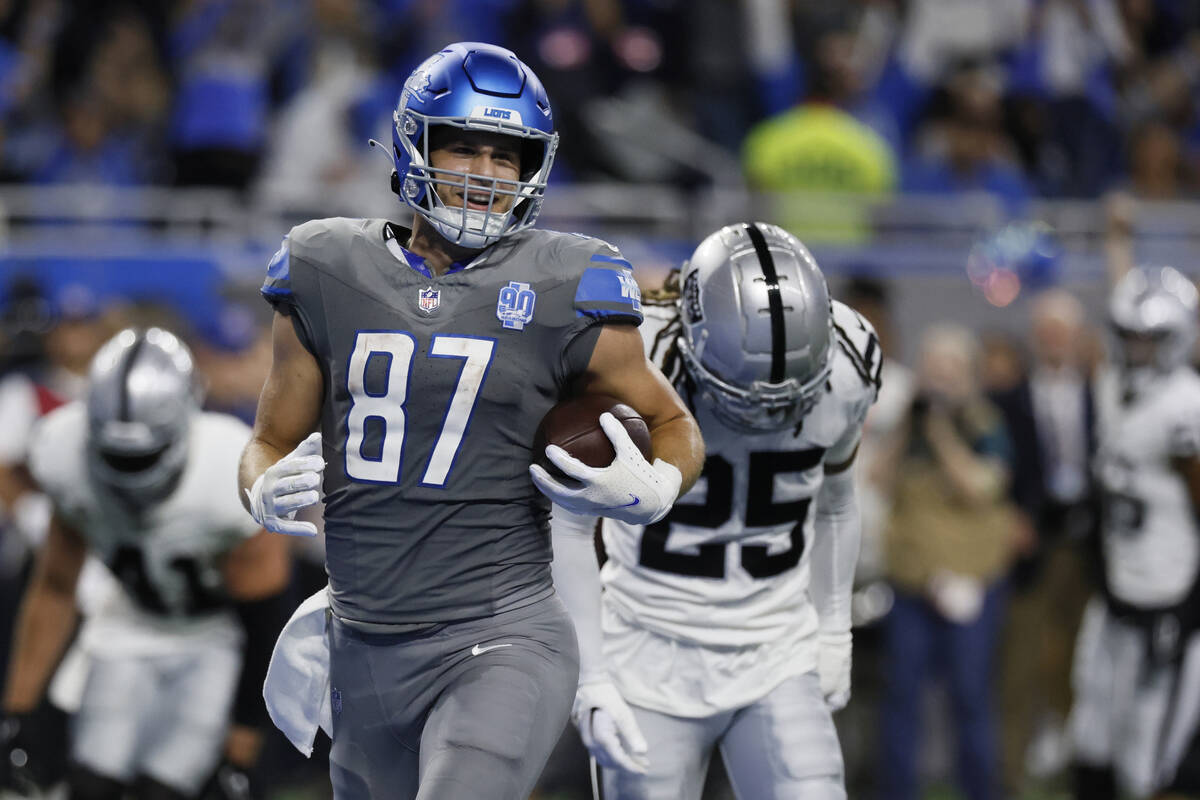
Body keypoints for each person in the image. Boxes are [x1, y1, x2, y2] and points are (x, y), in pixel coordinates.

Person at [241, 42, 703, 800]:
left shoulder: (568, 279)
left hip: (501, 636)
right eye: (463, 145)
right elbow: (267, 440)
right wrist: (258, 486)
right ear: (414, 143)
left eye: (507, 155)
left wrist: (655, 483)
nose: (485, 174)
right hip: (363, 641)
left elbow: (674, 424)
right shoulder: (324, 264)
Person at [549, 222, 881, 799]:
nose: (767, 415)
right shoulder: (635, 357)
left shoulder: (849, 364)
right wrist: (593, 676)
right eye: (742, 393)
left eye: (791, 396)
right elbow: (569, 524)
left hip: (778, 651)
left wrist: (833, 631)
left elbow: (835, 503)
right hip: (646, 653)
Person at [1, 327, 291, 800]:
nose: (129, 473)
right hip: (126, 625)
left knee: (167, 789)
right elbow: (55, 586)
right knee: (90, 785)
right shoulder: (63, 451)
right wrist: (17, 712)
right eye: (116, 455)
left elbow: (264, 625)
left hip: (215, 639)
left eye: (142, 457)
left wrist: (241, 749)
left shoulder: (233, 471)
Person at [1068, 266, 1200, 800]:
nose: (1137, 349)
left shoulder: (1186, 403)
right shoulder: (1109, 386)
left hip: (1171, 593)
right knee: (1094, 737)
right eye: (1129, 336)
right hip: (1117, 584)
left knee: (1149, 755)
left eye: (1151, 339)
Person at [875, 323, 1018, 800]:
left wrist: (940, 432)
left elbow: (981, 489)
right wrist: (905, 428)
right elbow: (877, 481)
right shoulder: (907, 425)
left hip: (971, 583)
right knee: (900, 699)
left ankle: (980, 791)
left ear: (967, 376)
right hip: (912, 585)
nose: (938, 382)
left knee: (971, 698)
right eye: (931, 371)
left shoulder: (985, 423)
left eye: (949, 372)